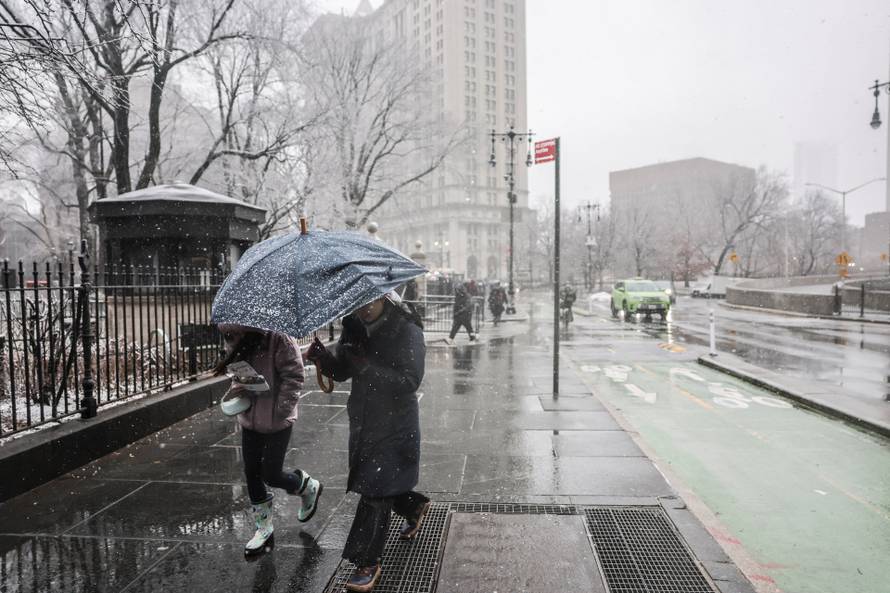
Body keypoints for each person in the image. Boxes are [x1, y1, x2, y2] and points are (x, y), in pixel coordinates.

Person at [306, 293, 429, 593]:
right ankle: (413, 507)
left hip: (395, 422)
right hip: (364, 419)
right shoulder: (353, 326)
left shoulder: (407, 329)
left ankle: (367, 562)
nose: (365, 307)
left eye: (372, 300)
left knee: (374, 487)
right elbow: (345, 371)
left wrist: (367, 369)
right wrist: (323, 358)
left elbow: (410, 380)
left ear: (386, 298)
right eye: (360, 301)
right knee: (379, 481)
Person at [214, 324, 324, 558]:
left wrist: (282, 408)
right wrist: (239, 386)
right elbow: (237, 373)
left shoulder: (280, 337)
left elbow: (294, 375)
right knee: (252, 471)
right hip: (250, 417)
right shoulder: (236, 337)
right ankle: (263, 528)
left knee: (271, 474)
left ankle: (306, 485)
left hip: (277, 418)